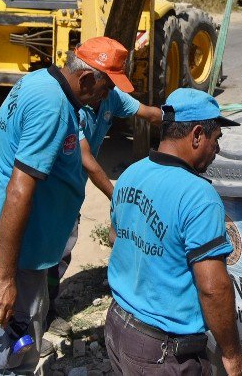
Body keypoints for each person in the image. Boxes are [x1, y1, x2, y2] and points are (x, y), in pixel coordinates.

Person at [0, 36, 132, 375]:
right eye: (105, 88)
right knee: (13, 356)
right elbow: (19, 189)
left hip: (22, 245)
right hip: (17, 250)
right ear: (86, 79)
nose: (106, 97)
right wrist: (6, 277)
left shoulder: (40, 80)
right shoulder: (53, 106)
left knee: (20, 337)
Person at [105, 89, 242, 376]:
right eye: (216, 138)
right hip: (162, 353)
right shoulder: (198, 195)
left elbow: (115, 236)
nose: (217, 149)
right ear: (197, 135)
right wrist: (231, 354)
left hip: (118, 327)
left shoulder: (131, 173)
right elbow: (212, 287)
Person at [45, 86, 164, 335]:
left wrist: (182, 120)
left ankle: (46, 308)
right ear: (92, 79)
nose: (112, 88)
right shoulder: (71, 107)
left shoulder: (111, 97)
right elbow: (87, 160)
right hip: (51, 191)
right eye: (108, 82)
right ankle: (35, 319)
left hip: (72, 192)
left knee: (61, 254)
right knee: (45, 258)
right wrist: (117, 197)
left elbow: (150, 114)